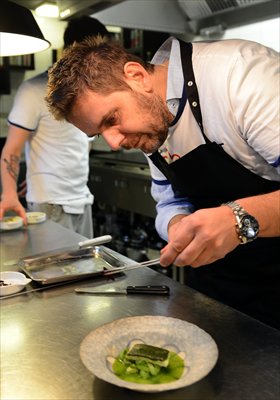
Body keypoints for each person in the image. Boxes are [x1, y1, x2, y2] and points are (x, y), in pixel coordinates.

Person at [45, 36, 280, 329]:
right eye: (99, 134)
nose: (114, 142)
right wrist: (178, 225)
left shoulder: (238, 74)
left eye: (111, 119)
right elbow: (170, 201)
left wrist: (237, 218)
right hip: (219, 285)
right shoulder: (150, 119)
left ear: (137, 76)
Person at [0, 17, 111, 238]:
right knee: (57, 272)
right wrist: (9, 194)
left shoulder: (88, 91)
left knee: (84, 270)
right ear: (73, 49)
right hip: (51, 203)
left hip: (81, 199)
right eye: (95, 53)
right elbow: (11, 149)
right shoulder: (34, 89)